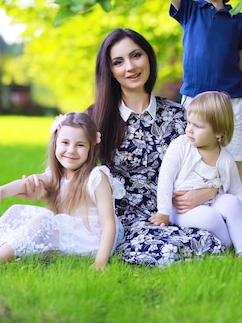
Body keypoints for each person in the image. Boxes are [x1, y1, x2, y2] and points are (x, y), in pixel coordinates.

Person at [86, 28, 225, 266]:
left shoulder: (180, 116)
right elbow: (71, 167)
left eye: (136, 55)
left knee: (208, 238)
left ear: (148, 57)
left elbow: (215, 162)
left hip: (180, 211)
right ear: (109, 71)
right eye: (118, 62)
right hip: (128, 220)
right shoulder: (96, 118)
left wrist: (209, 191)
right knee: (170, 250)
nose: (130, 67)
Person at [0, 112, 124, 275]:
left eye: (80, 145)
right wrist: (1, 191)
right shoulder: (58, 176)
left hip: (92, 241)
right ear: (55, 144)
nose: (71, 151)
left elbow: (108, 225)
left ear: (91, 147)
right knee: (17, 210)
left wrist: (100, 261)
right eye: (65, 142)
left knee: (43, 218)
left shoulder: (96, 177)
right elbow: (27, 183)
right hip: (71, 234)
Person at [160, 0, 242, 204]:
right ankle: (202, 218)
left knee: (234, 166)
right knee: (193, 161)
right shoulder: (189, 10)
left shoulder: (239, 19)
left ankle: (240, 229)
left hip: (232, 103)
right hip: (194, 101)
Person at [149, 91, 242, 256]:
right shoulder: (180, 146)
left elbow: (237, 192)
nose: (190, 130)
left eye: (198, 126)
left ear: (218, 132)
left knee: (232, 202)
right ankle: (229, 244)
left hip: (211, 200)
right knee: (210, 217)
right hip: (181, 209)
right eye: (189, 123)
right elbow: (166, 178)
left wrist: (240, 220)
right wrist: (164, 212)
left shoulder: (226, 159)